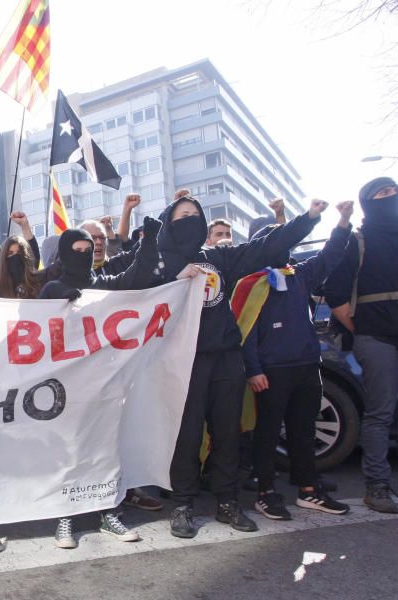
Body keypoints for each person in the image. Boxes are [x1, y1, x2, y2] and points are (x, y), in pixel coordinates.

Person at [156, 193, 329, 539]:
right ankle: (183, 502)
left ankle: (227, 500)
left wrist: (307, 218)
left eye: (195, 214)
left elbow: (266, 246)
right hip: (183, 362)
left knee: (227, 433)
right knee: (187, 435)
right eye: (181, 215)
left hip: (226, 358)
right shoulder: (159, 263)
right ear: (168, 223)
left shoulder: (219, 257)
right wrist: (174, 278)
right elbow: (135, 294)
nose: (189, 219)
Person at [38, 222, 169, 547]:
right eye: (75, 251)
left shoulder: (108, 286)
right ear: (64, 254)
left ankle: (108, 510)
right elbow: (37, 326)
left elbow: (140, 272)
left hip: (107, 385)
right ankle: (64, 515)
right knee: (67, 450)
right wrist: (57, 298)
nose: (83, 256)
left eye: (87, 250)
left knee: (106, 450)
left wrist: (149, 240)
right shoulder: (51, 289)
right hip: (66, 386)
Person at [244, 203, 353, 520]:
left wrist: (343, 223)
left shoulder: (300, 275)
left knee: (303, 431)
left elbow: (330, 256)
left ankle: (308, 489)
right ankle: (266, 493)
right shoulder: (251, 282)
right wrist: (254, 369)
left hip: (307, 367)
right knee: (266, 433)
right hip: (271, 372)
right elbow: (245, 330)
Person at [324, 176, 398, 513]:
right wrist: (362, 327)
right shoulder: (359, 242)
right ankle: (378, 485)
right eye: (382, 193)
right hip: (377, 339)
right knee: (380, 413)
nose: (390, 196)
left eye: (394, 191)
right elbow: (336, 293)